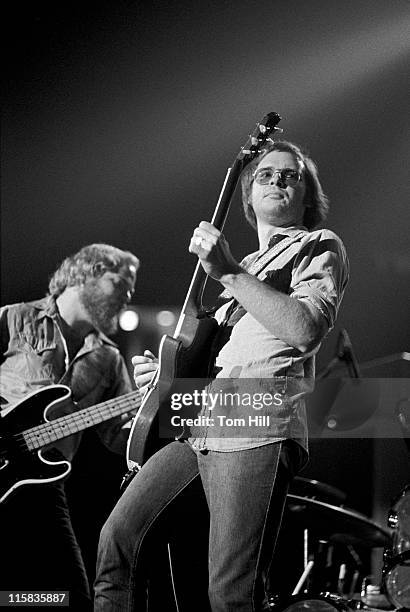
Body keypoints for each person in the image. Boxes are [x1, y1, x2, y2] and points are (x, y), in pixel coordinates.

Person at [94, 140, 349, 611]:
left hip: (255, 419)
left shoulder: (318, 244)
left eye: (291, 176)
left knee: (231, 592)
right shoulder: (248, 266)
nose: (277, 180)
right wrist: (167, 378)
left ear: (307, 198)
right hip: (201, 421)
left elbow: (305, 330)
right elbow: (219, 356)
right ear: (248, 198)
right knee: (118, 544)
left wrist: (227, 271)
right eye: (266, 174)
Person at [0, 243, 139, 610]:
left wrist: (156, 410)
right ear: (90, 272)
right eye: (121, 284)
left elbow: (119, 438)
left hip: (47, 487)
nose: (127, 297)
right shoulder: (15, 318)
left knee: (68, 598)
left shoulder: (109, 359)